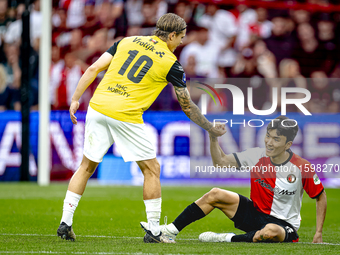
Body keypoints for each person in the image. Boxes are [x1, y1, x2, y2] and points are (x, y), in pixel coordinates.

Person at [57, 13, 226, 244]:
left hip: (98, 107)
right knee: (152, 169)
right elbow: (186, 105)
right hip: (125, 113)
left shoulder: (126, 41)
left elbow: (92, 69)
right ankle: (154, 229)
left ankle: (65, 222)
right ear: (172, 35)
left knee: (86, 166)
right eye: (181, 38)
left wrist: (76, 99)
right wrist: (209, 127)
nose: (181, 43)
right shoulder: (170, 63)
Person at [141, 116, 327, 243]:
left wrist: (318, 232)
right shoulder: (256, 155)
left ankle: (224, 238)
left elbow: (320, 196)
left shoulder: (302, 167)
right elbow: (220, 162)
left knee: (270, 232)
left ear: (288, 144)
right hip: (254, 214)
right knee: (215, 193)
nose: (269, 142)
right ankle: (169, 231)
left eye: (276, 139)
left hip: (282, 225)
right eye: (268, 136)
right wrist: (213, 138)